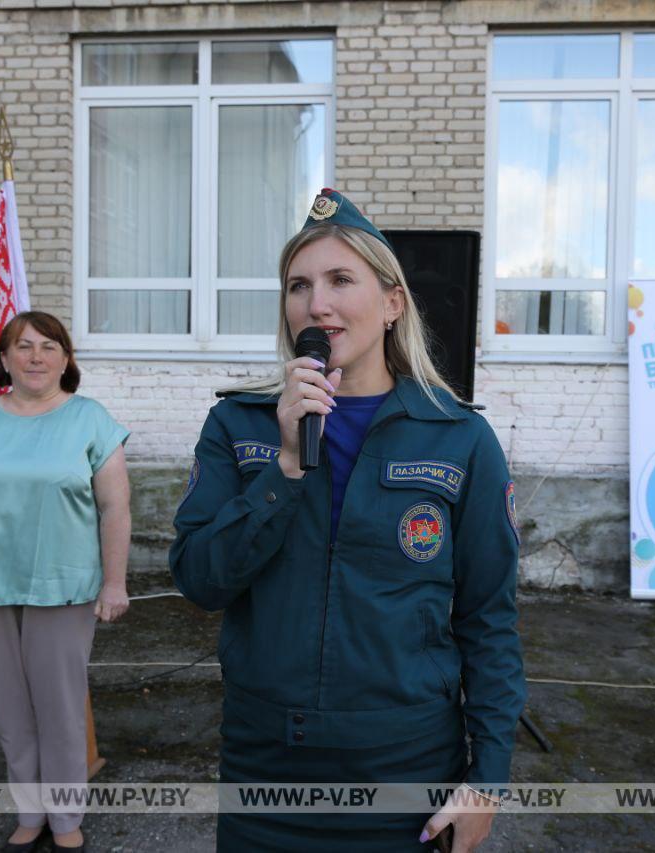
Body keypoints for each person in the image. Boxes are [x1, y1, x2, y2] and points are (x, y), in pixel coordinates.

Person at [170, 189, 525, 852]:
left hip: (404, 766)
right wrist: (283, 469)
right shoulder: (238, 425)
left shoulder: (459, 437)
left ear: (393, 303)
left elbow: (490, 620)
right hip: (265, 766)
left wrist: (487, 781)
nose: (317, 303)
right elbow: (199, 578)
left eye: (340, 280)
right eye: (298, 285)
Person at [0, 310, 131, 853]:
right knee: (11, 707)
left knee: (60, 708)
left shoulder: (89, 418)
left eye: (49, 346)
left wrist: (115, 583)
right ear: (4, 359)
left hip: (63, 587)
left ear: (66, 358)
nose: (36, 356)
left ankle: (66, 820)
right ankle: (29, 810)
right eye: (23, 346)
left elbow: (115, 508)